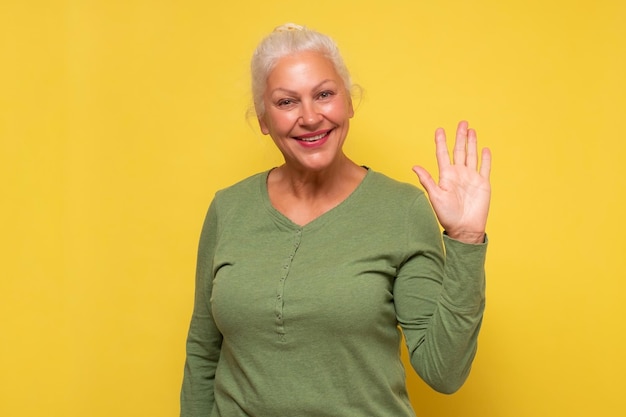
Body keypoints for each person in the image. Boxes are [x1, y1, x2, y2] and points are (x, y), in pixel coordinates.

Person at [181, 23, 491, 417]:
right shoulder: (228, 209)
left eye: (324, 94)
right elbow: (203, 351)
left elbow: (443, 372)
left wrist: (465, 238)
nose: (310, 117)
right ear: (263, 120)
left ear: (348, 103)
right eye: (286, 102)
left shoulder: (401, 210)